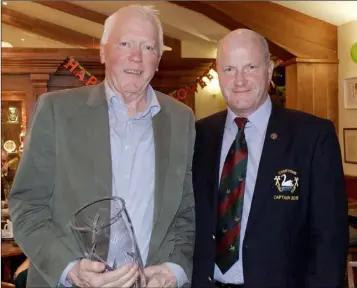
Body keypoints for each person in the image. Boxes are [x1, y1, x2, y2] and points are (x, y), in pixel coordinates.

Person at [8, 5, 195, 288]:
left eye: (147, 47)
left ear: (158, 59)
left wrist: (174, 270)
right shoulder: (58, 111)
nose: (136, 56)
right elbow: (26, 205)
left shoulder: (182, 119)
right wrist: (69, 269)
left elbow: (185, 213)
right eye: (125, 44)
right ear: (103, 52)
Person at [192, 28, 348, 288]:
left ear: (270, 69)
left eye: (250, 66)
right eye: (229, 69)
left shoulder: (312, 136)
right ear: (218, 73)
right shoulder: (199, 135)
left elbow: (329, 239)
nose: (239, 80)